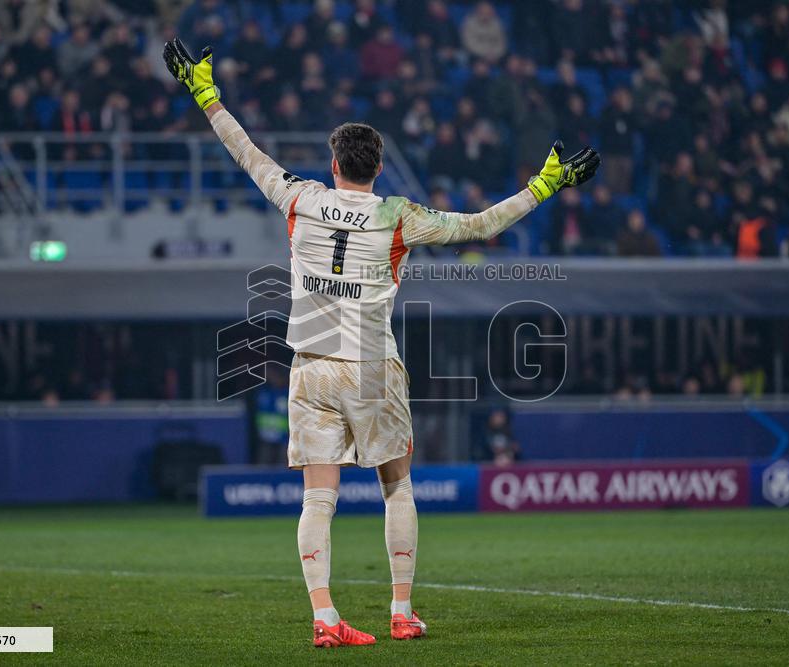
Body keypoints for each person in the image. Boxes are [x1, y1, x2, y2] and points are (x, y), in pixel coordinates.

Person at [163, 38, 599, 647]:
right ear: (378, 166)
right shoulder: (398, 215)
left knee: (318, 500)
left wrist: (206, 94)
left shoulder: (301, 198)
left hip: (310, 365)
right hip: (371, 366)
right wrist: (545, 185)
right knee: (397, 486)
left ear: (334, 164)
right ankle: (401, 611)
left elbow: (246, 152)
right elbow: (480, 225)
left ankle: (325, 619)